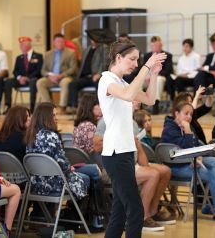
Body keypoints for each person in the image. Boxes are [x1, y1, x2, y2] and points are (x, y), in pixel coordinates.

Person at [97, 40, 166, 237]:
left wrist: (153, 75)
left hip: (126, 152)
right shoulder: (107, 80)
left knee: (120, 210)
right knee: (135, 209)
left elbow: (150, 100)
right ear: (118, 58)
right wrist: (145, 67)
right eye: (132, 59)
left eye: (138, 60)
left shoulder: (122, 82)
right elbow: (128, 95)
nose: (136, 64)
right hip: (115, 152)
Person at [161, 101, 215, 221]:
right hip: (176, 167)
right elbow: (179, 151)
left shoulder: (188, 127)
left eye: (191, 114)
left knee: (214, 161)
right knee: (213, 174)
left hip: (189, 162)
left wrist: (198, 156)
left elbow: (193, 146)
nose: (189, 117)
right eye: (186, 113)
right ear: (176, 113)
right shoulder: (169, 129)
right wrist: (188, 132)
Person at [25, 102, 100, 198]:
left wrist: (68, 167)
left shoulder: (31, 135)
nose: (56, 118)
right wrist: (69, 168)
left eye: (56, 115)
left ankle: (86, 210)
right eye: (53, 115)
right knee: (87, 177)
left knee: (91, 170)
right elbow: (62, 162)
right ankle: (83, 211)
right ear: (45, 117)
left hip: (37, 183)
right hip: (55, 183)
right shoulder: (51, 136)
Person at [67, 29, 110, 113]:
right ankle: (73, 107)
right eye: (91, 39)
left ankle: (100, 107)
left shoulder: (104, 49)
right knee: (72, 84)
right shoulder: (87, 49)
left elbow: (106, 64)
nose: (93, 41)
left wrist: (99, 74)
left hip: (97, 77)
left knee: (100, 86)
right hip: (85, 77)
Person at [36, 33, 77, 114]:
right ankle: (49, 107)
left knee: (65, 82)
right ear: (54, 42)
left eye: (62, 41)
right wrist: (49, 76)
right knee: (40, 82)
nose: (60, 43)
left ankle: (62, 107)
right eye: (58, 41)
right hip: (51, 78)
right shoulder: (48, 54)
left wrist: (61, 76)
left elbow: (73, 68)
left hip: (64, 77)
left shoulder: (70, 53)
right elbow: (43, 70)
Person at [3, 36, 43, 114]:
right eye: (20, 45)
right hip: (20, 80)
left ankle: (32, 107)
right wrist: (20, 77)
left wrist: (28, 78)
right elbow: (15, 71)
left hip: (32, 79)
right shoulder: (19, 57)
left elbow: (39, 70)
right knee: (8, 82)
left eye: (22, 45)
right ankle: (8, 106)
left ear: (28, 45)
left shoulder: (38, 56)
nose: (20, 47)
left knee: (33, 81)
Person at [143, 36, 174, 114]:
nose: (154, 47)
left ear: (161, 45)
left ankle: (155, 103)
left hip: (160, 76)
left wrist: (154, 74)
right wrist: (146, 75)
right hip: (147, 77)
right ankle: (138, 104)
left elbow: (168, 70)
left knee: (158, 80)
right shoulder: (147, 55)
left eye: (156, 45)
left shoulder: (167, 55)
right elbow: (142, 68)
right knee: (138, 80)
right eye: (153, 45)